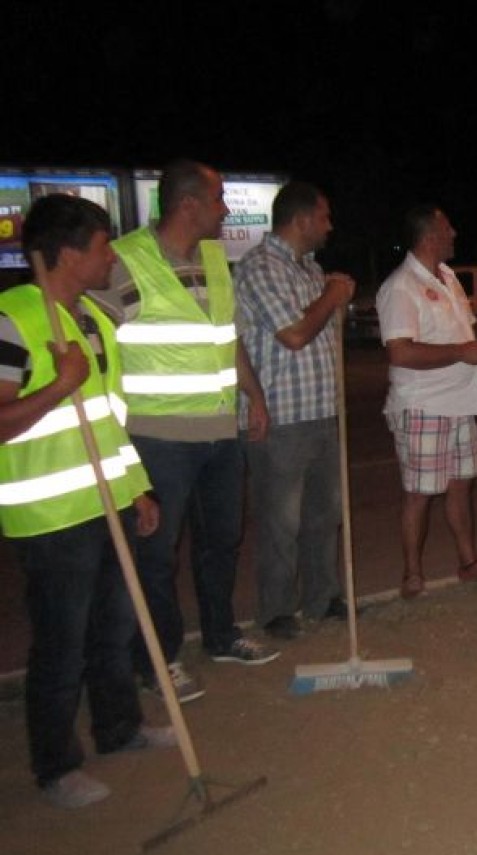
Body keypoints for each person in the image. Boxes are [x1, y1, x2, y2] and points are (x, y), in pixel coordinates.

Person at [0, 195, 176, 809]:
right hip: (52, 518)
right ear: (69, 254)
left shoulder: (95, 321)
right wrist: (59, 386)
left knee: (115, 628)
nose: (112, 259)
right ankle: (55, 766)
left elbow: (107, 419)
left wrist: (137, 488)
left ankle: (118, 727)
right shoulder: (12, 319)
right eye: (104, 248)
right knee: (61, 644)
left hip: (108, 503)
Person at [90, 159, 279, 703]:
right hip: (157, 437)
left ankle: (221, 635)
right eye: (219, 198)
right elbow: (95, 345)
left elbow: (227, 336)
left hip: (219, 432)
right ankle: (159, 658)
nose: (226, 209)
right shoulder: (125, 260)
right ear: (189, 204)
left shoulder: (216, 258)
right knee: (156, 553)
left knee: (222, 540)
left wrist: (254, 395)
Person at [234, 181, 356, 640]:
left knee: (325, 515)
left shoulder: (311, 269)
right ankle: (277, 609)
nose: (330, 225)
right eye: (324, 216)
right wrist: (331, 296)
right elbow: (294, 334)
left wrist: (331, 295)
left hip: (322, 410)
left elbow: (320, 326)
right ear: (302, 220)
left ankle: (322, 597)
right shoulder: (259, 267)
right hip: (281, 416)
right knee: (280, 522)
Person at [376, 204, 477, 599]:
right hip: (424, 405)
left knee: (460, 487)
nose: (454, 233)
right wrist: (460, 353)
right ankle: (412, 574)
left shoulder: (449, 277)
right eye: (448, 227)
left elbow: (460, 336)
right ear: (429, 236)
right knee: (419, 494)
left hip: (460, 402)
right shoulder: (401, 286)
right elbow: (400, 352)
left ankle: (469, 562)